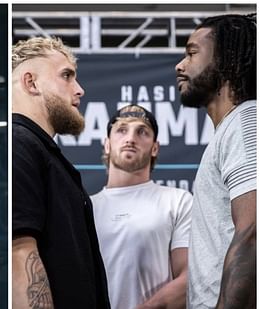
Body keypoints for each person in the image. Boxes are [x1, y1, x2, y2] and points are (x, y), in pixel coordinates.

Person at [12, 36, 110, 309]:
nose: (79, 90)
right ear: (31, 83)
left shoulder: (42, 151)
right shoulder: (20, 143)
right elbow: (19, 255)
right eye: (66, 76)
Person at [175, 14, 256, 308]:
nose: (180, 65)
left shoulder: (247, 121)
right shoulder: (232, 128)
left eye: (192, 52)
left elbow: (253, 231)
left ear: (225, 60)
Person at [91, 104, 192, 309]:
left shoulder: (178, 201)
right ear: (107, 144)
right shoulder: (84, 207)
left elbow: (190, 278)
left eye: (142, 132)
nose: (130, 139)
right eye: (121, 130)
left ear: (155, 148)